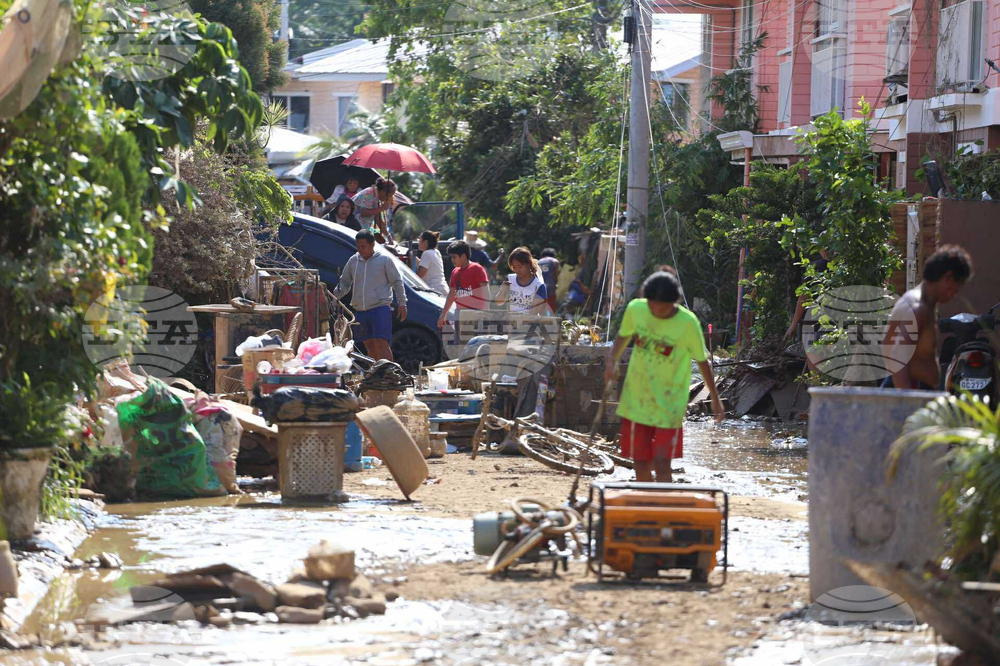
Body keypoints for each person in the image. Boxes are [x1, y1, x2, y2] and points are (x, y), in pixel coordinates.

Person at [605, 268, 724, 483]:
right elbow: (623, 336)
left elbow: (702, 361)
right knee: (639, 462)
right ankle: (646, 507)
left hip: (670, 402)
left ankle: (664, 505)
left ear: (674, 302)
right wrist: (611, 361)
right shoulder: (636, 309)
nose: (656, 310)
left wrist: (715, 398)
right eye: (652, 304)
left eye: (662, 306)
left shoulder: (688, 323)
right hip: (637, 399)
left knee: (662, 463)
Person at [881, 245, 973, 390]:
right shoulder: (918, 310)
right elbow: (897, 358)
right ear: (948, 277)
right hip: (911, 390)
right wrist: (907, 403)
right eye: (958, 285)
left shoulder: (918, 302)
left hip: (911, 389)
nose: (956, 292)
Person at [332, 229, 407, 362]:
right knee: (369, 346)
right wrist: (336, 295)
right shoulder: (353, 261)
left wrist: (402, 303)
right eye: (358, 246)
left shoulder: (384, 260)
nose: (360, 249)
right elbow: (345, 282)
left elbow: (397, 281)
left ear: (372, 244)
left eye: (363, 246)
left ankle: (390, 375)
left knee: (381, 343)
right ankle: (376, 375)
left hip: (380, 308)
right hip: (360, 311)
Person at [437, 240, 491, 333]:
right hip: (459, 314)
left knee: (475, 344)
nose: (452, 260)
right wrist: (443, 314)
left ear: (463, 256)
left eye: (454, 257)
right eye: (451, 257)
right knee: (460, 344)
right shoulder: (455, 271)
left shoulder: (476, 268)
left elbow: (485, 290)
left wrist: (486, 311)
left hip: (476, 313)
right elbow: (451, 294)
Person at [495, 246, 548, 314]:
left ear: (528, 264)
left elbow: (534, 313)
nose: (517, 270)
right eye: (514, 267)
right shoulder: (510, 280)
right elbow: (499, 303)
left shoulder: (538, 286)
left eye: (520, 267)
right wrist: (502, 291)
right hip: (512, 322)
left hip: (530, 323)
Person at [353, 178, 396, 243]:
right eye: (389, 196)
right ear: (383, 191)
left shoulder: (377, 198)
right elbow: (363, 213)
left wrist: (388, 236)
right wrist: (382, 208)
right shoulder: (369, 193)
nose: (388, 199)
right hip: (353, 227)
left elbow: (379, 220)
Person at [416, 230, 449, 296]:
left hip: (435, 291)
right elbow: (425, 265)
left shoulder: (426, 253)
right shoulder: (436, 252)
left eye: (420, 239)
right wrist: (414, 258)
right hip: (443, 288)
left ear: (425, 242)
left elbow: (420, 275)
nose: (418, 242)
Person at [538, 248, 560, 313]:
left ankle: (541, 317)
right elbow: (555, 274)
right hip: (550, 284)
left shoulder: (539, 262)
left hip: (540, 285)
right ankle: (550, 317)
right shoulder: (554, 261)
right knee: (551, 302)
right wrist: (556, 283)